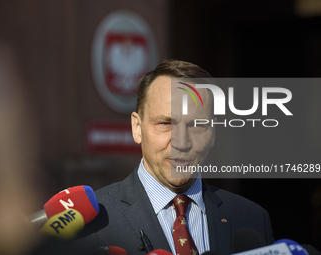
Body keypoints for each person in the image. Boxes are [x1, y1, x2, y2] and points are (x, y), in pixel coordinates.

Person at [74, 60, 274, 255]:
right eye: (166, 123)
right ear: (137, 128)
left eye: (196, 125)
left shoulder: (252, 219)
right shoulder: (93, 223)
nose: (181, 142)